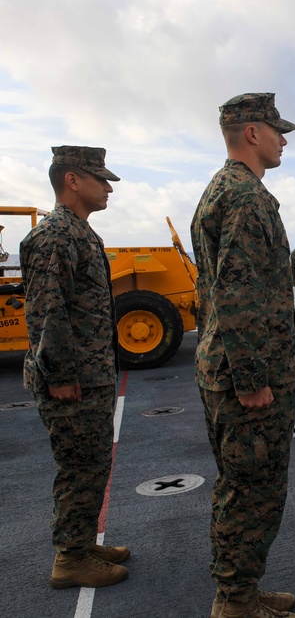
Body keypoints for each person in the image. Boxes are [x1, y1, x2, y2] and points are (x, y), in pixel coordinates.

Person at [190, 93, 295, 618]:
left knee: (241, 486)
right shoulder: (246, 198)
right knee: (253, 491)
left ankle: (241, 591)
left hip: (226, 367)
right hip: (248, 378)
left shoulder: (222, 190)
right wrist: (252, 378)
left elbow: (209, 292)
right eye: (278, 131)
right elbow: (236, 295)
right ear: (252, 133)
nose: (283, 141)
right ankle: (236, 602)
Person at [21, 146, 130, 590]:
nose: (107, 188)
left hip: (90, 376)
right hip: (74, 380)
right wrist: (63, 376)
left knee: (90, 464)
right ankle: (70, 559)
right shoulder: (56, 236)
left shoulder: (78, 232)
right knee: (79, 466)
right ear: (71, 180)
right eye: (99, 179)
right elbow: (48, 313)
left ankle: (81, 544)